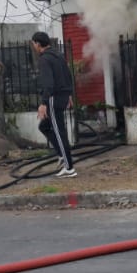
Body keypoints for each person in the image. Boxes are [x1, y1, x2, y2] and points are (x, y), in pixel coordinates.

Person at [31, 32, 77, 178]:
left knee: (59, 132)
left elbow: (48, 84)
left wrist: (43, 103)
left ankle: (69, 168)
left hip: (53, 99)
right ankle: (62, 155)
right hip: (62, 96)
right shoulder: (58, 55)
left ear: (38, 44)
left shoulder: (44, 59)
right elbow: (68, 76)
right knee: (44, 126)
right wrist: (69, 94)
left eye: (33, 43)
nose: (33, 46)